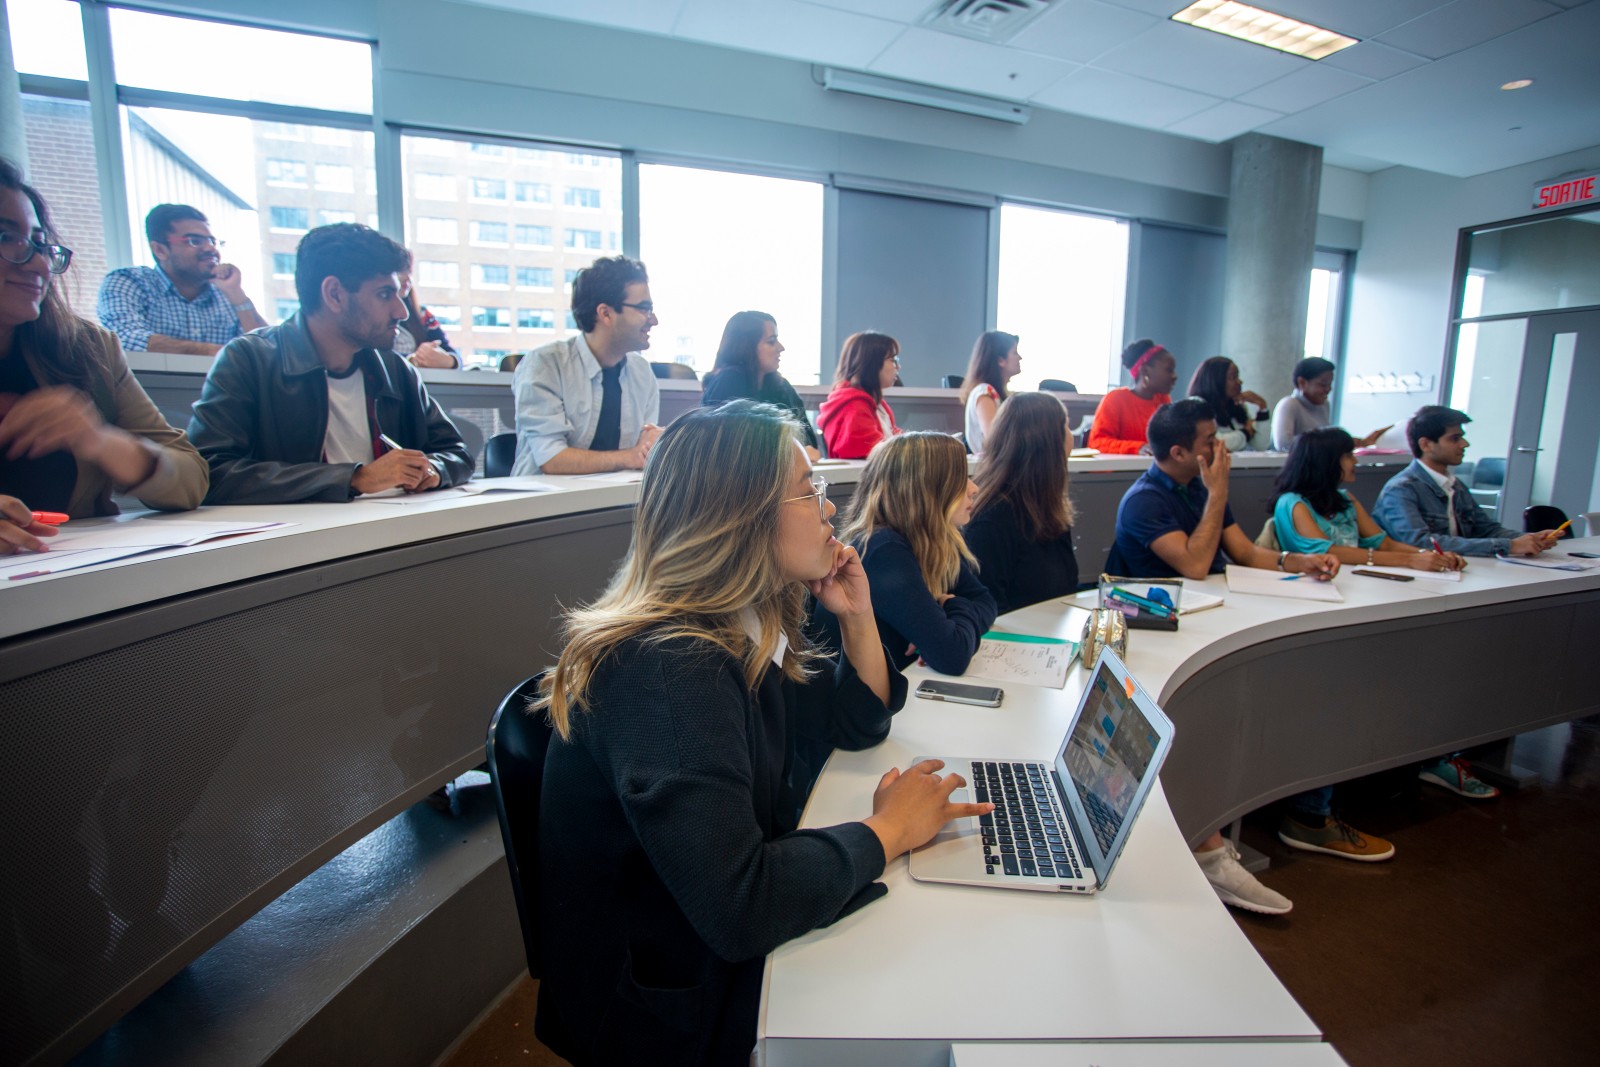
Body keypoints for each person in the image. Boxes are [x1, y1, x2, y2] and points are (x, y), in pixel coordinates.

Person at [533, 400, 988, 1066]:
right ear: (740, 515)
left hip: (701, 945)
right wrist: (889, 831)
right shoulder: (670, 669)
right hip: (666, 1003)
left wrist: (859, 614)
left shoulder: (744, 619)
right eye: (811, 490)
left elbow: (854, 726)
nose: (830, 508)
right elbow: (739, 903)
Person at [1, 157, 206, 555]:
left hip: (72, 583)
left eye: (40, 244)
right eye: (6, 238)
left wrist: (101, 440)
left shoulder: (87, 349)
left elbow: (192, 479)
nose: (40, 264)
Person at [188, 223, 472, 504]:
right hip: (297, 543)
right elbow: (209, 471)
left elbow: (457, 454)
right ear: (334, 294)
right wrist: (354, 478)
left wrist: (433, 470)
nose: (401, 310)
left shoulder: (396, 370)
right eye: (385, 294)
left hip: (392, 533)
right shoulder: (248, 360)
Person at [815, 431, 997, 676]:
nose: (974, 488)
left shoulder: (933, 539)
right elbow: (953, 656)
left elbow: (986, 603)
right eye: (960, 477)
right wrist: (948, 614)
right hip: (861, 707)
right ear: (927, 488)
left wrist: (947, 610)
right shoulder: (882, 549)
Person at [1106, 398, 1341, 582]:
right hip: (1166, 611)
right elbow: (1195, 566)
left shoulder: (1199, 486)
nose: (1219, 446)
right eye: (1210, 441)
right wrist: (1217, 494)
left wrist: (1301, 562)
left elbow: (1245, 552)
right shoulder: (1143, 500)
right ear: (1178, 453)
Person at [511, 255, 662, 475]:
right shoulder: (544, 364)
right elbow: (553, 459)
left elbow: (645, 450)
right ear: (605, 313)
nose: (653, 320)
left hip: (613, 502)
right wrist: (631, 456)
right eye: (644, 308)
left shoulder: (641, 372)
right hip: (546, 504)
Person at [1373, 405, 1559, 558]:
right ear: (1426, 445)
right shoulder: (1401, 489)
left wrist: (1527, 539)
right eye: (1455, 438)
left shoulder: (1455, 485)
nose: (1464, 444)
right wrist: (1509, 546)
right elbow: (1420, 543)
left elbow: (1486, 529)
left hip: (1454, 568)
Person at [1272, 428, 1468, 573]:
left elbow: (1384, 544)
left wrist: (1429, 555)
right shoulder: (1293, 503)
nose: (1356, 461)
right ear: (1325, 462)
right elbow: (1330, 552)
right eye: (1348, 455)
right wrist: (1409, 560)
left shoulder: (1345, 498)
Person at [97, 204, 267, 356]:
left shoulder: (225, 294)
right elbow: (127, 339)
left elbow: (268, 351)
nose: (210, 249)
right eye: (194, 241)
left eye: (212, 241)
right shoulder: (129, 282)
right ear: (160, 250)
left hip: (221, 391)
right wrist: (221, 353)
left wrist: (236, 293)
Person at [964, 392, 1079, 615]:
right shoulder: (991, 520)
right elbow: (990, 611)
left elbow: (1066, 589)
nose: (1071, 435)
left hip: (1051, 635)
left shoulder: (1049, 506)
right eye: (1066, 425)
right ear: (1047, 441)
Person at [700, 310, 820, 459]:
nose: (781, 347)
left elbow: (809, 441)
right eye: (771, 341)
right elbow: (731, 449)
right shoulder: (728, 381)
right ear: (746, 346)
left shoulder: (781, 386)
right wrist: (793, 453)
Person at [1269, 356, 1390, 452]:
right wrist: (1337, 442)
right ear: (1302, 383)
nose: (1328, 389)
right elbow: (1284, 445)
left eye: (1330, 384)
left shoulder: (1324, 405)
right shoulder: (1289, 404)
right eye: (1323, 384)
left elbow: (1324, 441)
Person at [816, 331, 900, 459]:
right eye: (893, 360)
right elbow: (872, 450)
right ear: (872, 363)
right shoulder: (854, 405)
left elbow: (896, 442)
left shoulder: (875, 403)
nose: (898, 366)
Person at [1087, 339, 1178, 455]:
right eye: (1169, 370)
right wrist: (1138, 448)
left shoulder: (1163, 399)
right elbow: (1097, 443)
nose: (1174, 376)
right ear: (1145, 371)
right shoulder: (1115, 399)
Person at [1186, 356, 1267, 452]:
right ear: (1215, 380)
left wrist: (1262, 408)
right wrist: (1247, 432)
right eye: (1233, 377)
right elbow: (1215, 442)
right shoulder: (1197, 404)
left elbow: (1261, 446)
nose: (1240, 381)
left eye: (1238, 376)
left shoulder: (1237, 405)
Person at [960, 330, 1020, 454]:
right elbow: (994, 440)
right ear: (1000, 360)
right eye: (1014, 352)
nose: (1020, 357)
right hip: (991, 469)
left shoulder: (996, 393)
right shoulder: (985, 393)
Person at [391, 271, 461, 369]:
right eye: (399, 270)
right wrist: (413, 359)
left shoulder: (422, 315)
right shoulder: (370, 318)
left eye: (409, 272)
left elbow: (450, 352)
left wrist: (449, 361)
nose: (407, 277)